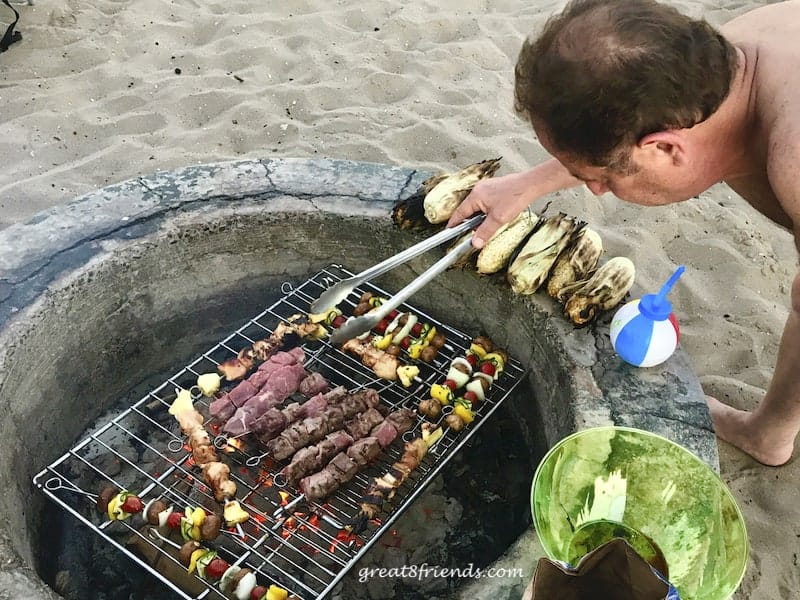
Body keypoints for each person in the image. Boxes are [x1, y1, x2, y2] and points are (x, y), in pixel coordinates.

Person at [447, 0, 800, 466]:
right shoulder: (723, 62)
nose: (595, 190)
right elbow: (622, 134)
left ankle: (768, 432)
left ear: (665, 147)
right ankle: (770, 432)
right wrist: (526, 184)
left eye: (604, 180)